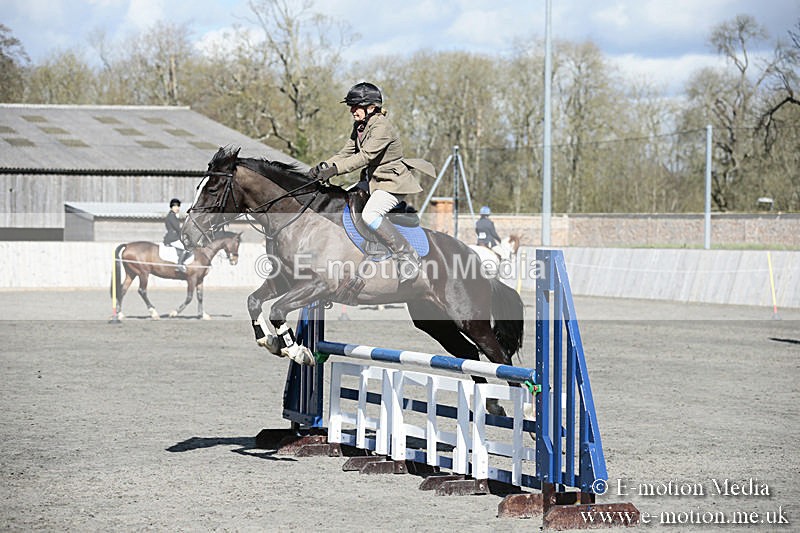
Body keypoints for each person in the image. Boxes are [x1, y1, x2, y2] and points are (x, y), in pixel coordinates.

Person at [308, 82, 432, 284]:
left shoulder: (382, 126)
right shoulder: (360, 125)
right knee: (342, 202)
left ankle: (406, 255)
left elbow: (365, 156)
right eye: (351, 106)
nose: (351, 110)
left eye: (355, 106)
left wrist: (336, 170)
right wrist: (323, 166)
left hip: (392, 183)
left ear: (371, 107)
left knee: (370, 214)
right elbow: (346, 152)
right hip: (372, 181)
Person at [164, 198, 189, 272]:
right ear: (171, 207)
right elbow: (178, 229)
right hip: (172, 238)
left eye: (178, 206)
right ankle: (179, 264)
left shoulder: (173, 215)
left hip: (175, 237)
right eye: (175, 206)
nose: (177, 208)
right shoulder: (171, 216)